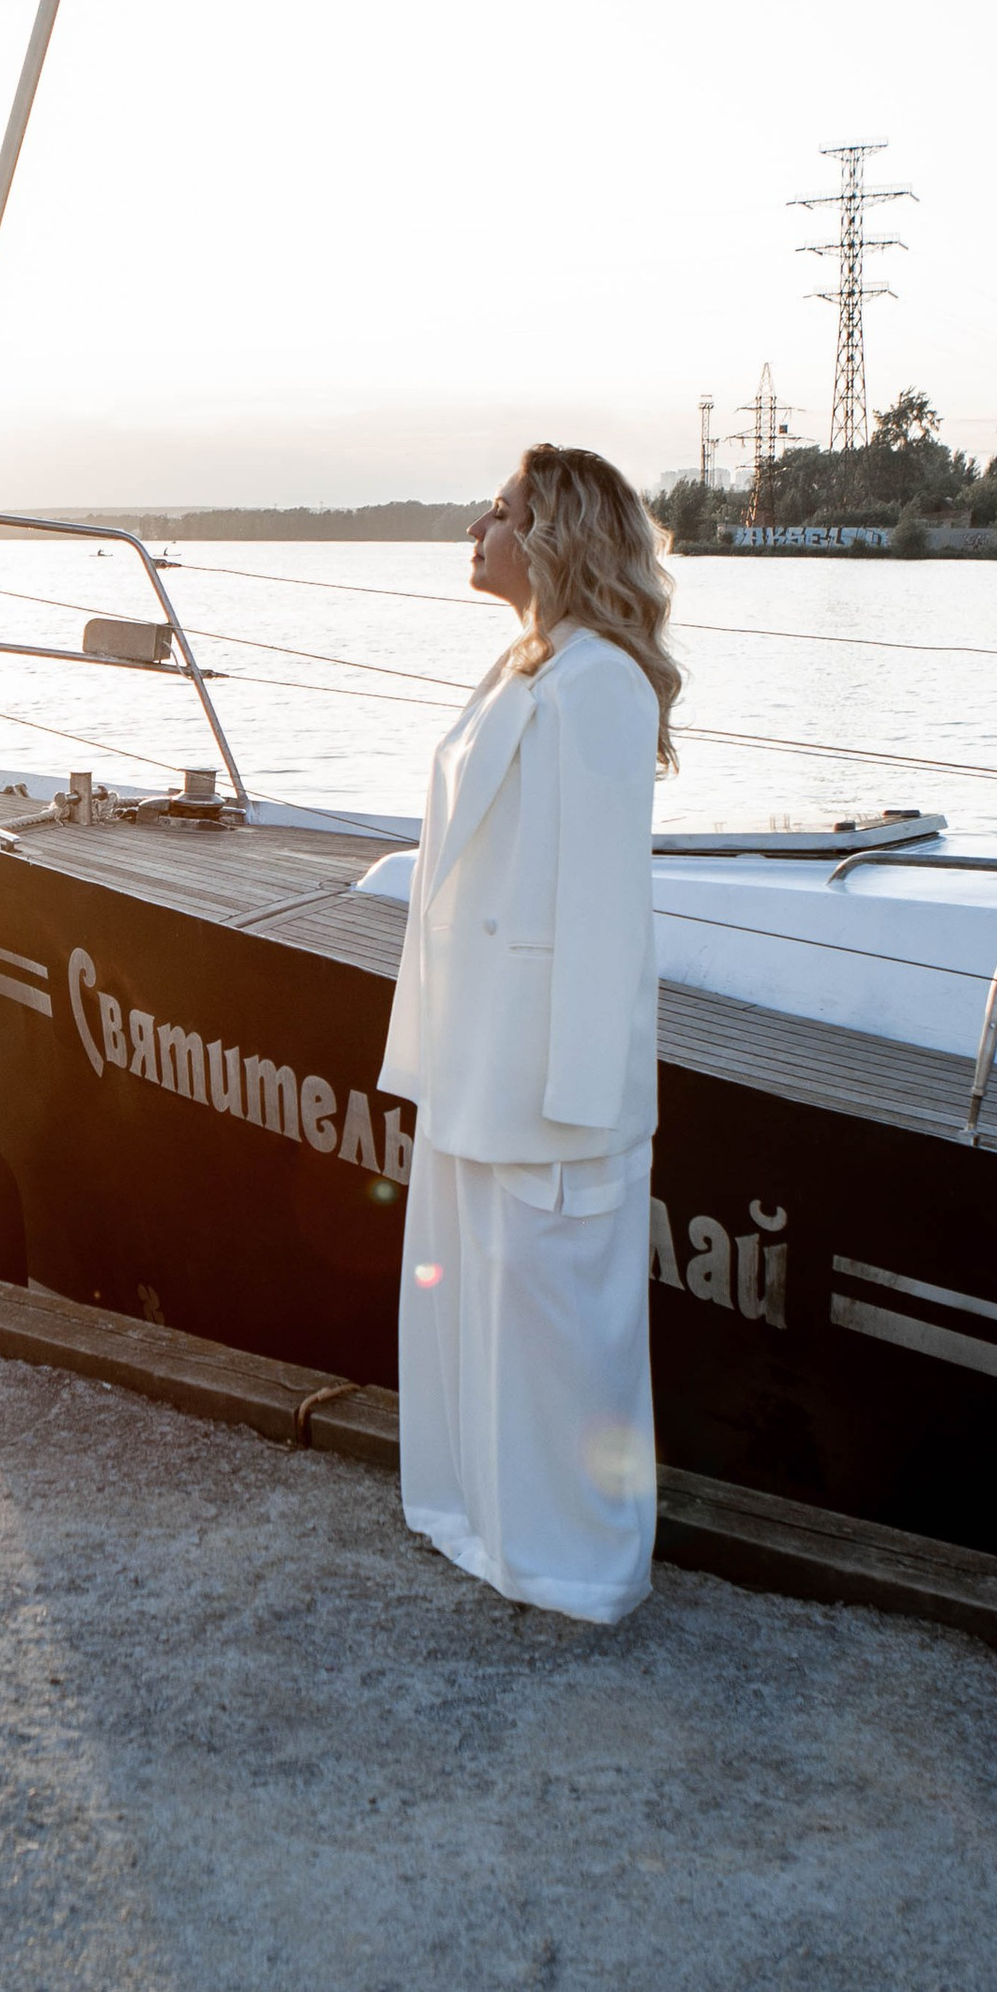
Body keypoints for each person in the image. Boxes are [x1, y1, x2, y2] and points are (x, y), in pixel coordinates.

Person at [379, 443, 682, 1625]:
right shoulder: (526, 668)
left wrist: (577, 1100)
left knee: (556, 1323)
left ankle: (577, 1565)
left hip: (548, 1073)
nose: (476, 527)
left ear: (551, 533)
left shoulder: (601, 683)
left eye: (497, 513)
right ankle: (487, 1523)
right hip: (478, 1052)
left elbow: (605, 907)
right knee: (481, 1307)